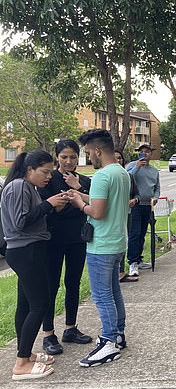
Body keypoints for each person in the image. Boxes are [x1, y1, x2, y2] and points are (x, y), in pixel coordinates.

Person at [1, 150, 68, 380]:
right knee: (39, 304)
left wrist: (52, 206)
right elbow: (20, 222)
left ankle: (26, 354)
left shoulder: (27, 187)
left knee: (26, 304)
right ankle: (20, 364)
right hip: (25, 250)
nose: (48, 177)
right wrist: (48, 204)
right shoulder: (19, 186)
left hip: (28, 249)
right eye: (45, 172)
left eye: (50, 172)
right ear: (30, 170)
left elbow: (31, 218)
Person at [66, 129, 130, 367]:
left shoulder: (103, 176)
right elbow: (106, 201)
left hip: (101, 245)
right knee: (113, 291)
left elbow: (98, 212)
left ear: (98, 151)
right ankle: (118, 334)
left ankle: (109, 342)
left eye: (88, 153)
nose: (88, 157)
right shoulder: (121, 172)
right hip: (117, 243)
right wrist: (82, 194)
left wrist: (79, 204)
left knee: (102, 295)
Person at [38, 140, 93, 356]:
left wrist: (77, 190)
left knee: (73, 283)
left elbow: (93, 204)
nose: (68, 161)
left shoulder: (85, 181)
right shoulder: (48, 180)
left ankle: (71, 328)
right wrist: (67, 204)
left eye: (72, 157)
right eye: (64, 157)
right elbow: (45, 208)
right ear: (57, 157)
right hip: (53, 240)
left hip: (77, 239)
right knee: (51, 285)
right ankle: (48, 333)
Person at [125, 144, 160, 276]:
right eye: (142, 152)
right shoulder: (132, 166)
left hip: (148, 205)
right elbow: (126, 179)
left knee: (142, 233)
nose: (144, 154)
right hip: (135, 205)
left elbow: (157, 187)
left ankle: (139, 259)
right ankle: (132, 262)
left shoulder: (154, 170)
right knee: (134, 233)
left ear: (151, 154)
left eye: (147, 152)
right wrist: (137, 167)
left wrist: (156, 197)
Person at [114, 150, 140, 283]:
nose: (118, 161)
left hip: (127, 214)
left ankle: (121, 271)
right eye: (115, 158)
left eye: (120, 158)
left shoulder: (128, 176)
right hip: (112, 216)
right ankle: (114, 272)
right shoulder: (106, 177)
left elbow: (137, 194)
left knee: (124, 240)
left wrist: (134, 200)